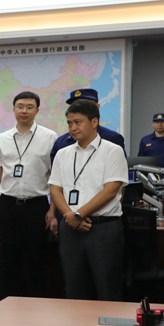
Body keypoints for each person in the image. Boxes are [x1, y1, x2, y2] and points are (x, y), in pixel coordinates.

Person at [49, 99, 127, 301]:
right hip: (70, 228)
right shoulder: (63, 153)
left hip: (103, 228)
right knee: (74, 288)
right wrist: (69, 216)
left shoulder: (112, 150)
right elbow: (55, 189)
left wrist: (77, 214)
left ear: (94, 122)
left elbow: (110, 191)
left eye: (78, 122)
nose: (72, 128)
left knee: (107, 288)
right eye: (69, 123)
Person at [0, 91, 57, 298]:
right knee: (9, 259)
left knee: (37, 259)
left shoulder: (50, 137)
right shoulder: (2, 139)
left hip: (37, 206)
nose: (24, 111)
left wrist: (52, 210)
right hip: (8, 206)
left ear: (37, 110)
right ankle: (11, 304)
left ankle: (37, 304)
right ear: (14, 109)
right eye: (20, 106)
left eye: (29, 107)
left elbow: (56, 177)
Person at [50, 89, 124, 162]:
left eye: (85, 105)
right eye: (75, 105)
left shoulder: (112, 139)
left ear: (97, 107)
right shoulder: (61, 143)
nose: (79, 109)